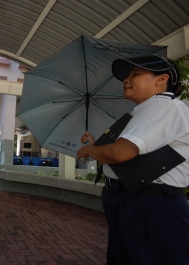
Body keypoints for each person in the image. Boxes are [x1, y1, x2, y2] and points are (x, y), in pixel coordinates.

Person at [77, 54, 189, 265]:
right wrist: (95, 144)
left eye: (135, 74)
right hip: (137, 199)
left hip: (149, 203)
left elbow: (121, 153)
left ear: (161, 79)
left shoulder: (164, 106)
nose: (126, 80)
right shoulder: (146, 110)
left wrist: (89, 151)